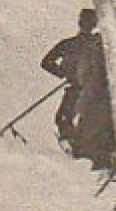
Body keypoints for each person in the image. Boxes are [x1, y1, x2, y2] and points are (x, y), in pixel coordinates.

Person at [40, 9, 101, 149]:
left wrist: (63, 73)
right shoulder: (96, 45)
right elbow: (46, 62)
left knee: (65, 118)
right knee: (67, 118)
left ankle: (77, 148)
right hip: (83, 89)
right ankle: (75, 146)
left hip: (84, 90)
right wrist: (64, 74)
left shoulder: (73, 43)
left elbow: (46, 62)